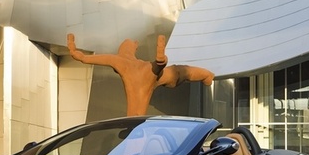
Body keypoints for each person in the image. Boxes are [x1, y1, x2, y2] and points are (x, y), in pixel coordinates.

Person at [67, 33, 214, 116]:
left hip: (146, 74)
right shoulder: (131, 63)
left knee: (174, 71)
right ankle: (206, 75)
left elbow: (90, 58)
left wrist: (79, 55)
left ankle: (162, 61)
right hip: (148, 72)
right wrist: (79, 55)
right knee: (178, 71)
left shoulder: (120, 61)